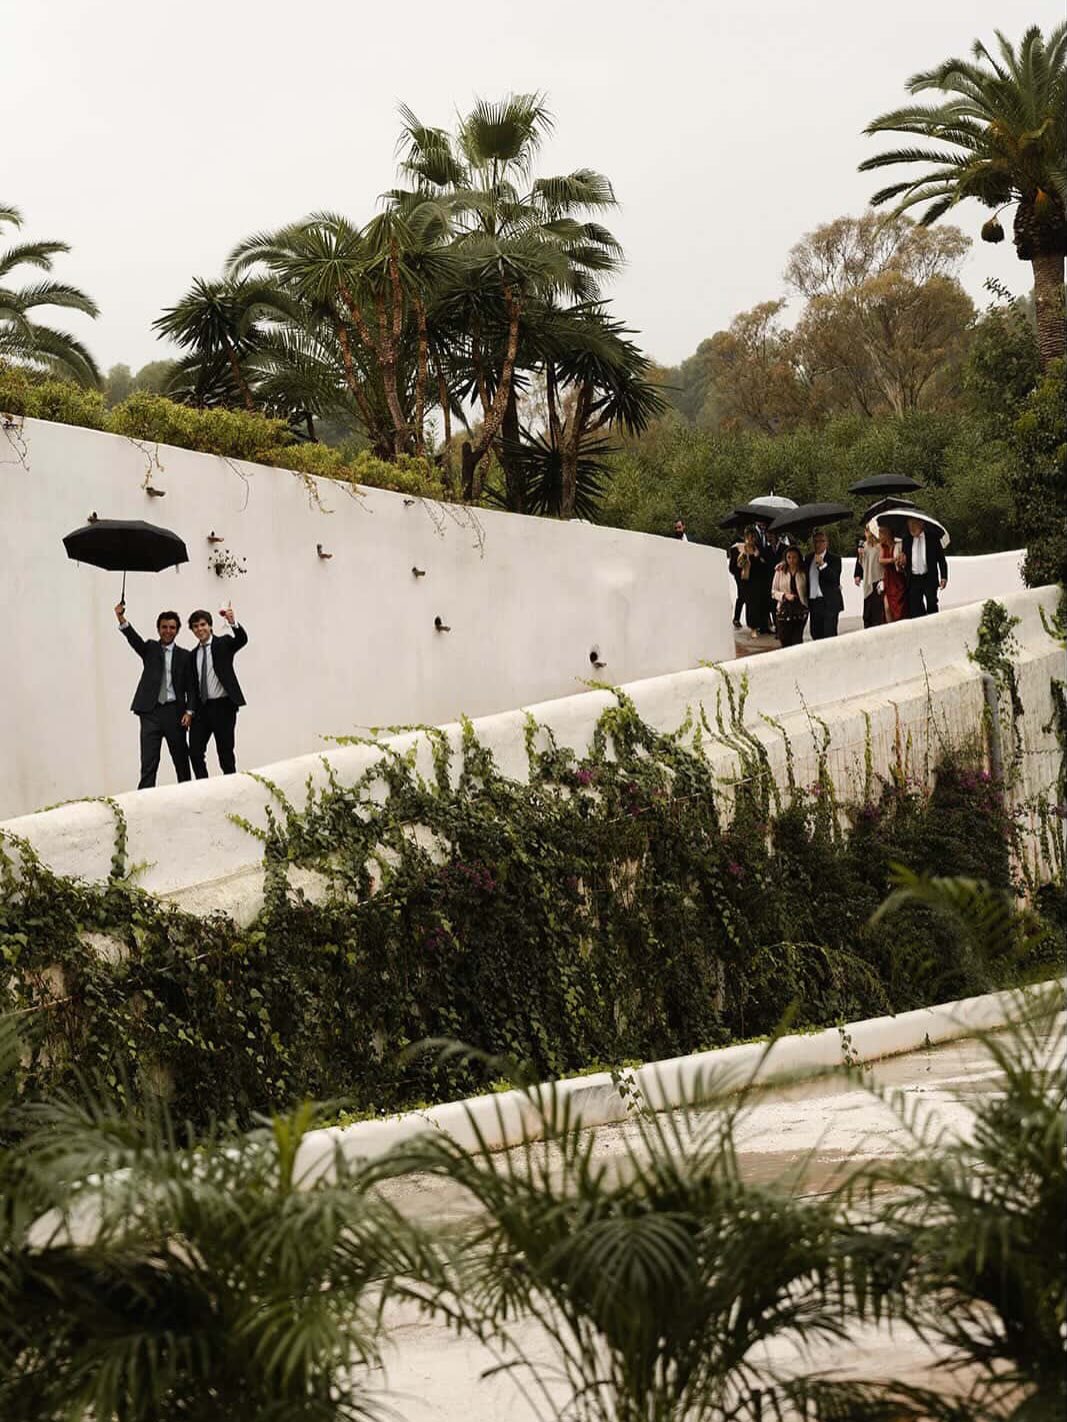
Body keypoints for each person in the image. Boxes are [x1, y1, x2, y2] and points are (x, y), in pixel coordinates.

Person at [114, 602, 195, 789]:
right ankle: (143, 801)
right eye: (164, 627)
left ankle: (188, 796)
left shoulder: (185, 656)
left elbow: (191, 688)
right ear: (158, 629)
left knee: (181, 760)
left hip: (175, 713)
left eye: (172, 628)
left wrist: (189, 712)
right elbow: (133, 639)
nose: (168, 631)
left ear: (177, 631)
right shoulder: (150, 648)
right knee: (149, 762)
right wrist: (120, 617)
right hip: (150, 712)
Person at [187, 605, 248, 777]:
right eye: (196, 626)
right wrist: (190, 710)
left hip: (223, 707)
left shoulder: (224, 643)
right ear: (192, 630)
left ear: (210, 626)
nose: (200, 629)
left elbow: (242, 640)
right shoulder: (192, 655)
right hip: (202, 708)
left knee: (225, 753)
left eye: (203, 624)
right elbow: (192, 685)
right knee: (195, 752)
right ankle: (204, 787)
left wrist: (232, 622)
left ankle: (232, 787)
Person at [902, 517, 948, 617]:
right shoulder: (906, 540)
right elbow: (905, 562)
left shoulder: (933, 538)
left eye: (914, 524)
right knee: (915, 608)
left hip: (929, 577)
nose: (911, 528)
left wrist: (944, 577)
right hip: (913, 579)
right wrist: (902, 562)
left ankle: (934, 626)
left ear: (921, 523)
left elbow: (941, 559)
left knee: (931, 604)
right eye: (909, 525)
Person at [804, 529, 843, 640]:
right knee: (815, 633)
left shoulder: (834, 559)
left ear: (827, 543)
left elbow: (834, 578)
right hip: (814, 602)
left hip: (829, 602)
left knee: (829, 635)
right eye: (815, 541)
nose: (818, 544)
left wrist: (822, 565)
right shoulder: (808, 558)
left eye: (821, 541)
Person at [771, 545, 808, 648]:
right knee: (784, 639)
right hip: (784, 609)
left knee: (797, 640)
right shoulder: (780, 571)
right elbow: (773, 592)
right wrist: (784, 595)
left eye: (794, 557)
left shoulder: (803, 571)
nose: (791, 560)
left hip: (800, 609)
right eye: (789, 557)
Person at [738, 526, 771, 638]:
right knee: (751, 604)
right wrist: (744, 558)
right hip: (749, 581)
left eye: (753, 537)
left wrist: (759, 557)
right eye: (749, 537)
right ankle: (753, 627)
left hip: (760, 579)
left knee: (760, 603)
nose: (751, 539)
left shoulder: (759, 548)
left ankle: (763, 625)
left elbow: (764, 563)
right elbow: (738, 565)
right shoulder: (743, 549)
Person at [854, 527, 885, 629]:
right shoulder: (864, 546)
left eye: (868, 531)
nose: (867, 534)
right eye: (866, 531)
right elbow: (860, 562)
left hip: (878, 581)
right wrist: (857, 575)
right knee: (867, 614)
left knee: (877, 613)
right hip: (867, 582)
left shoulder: (880, 546)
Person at [878, 527, 908, 623]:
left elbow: (902, 560)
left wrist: (899, 560)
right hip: (889, 579)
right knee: (887, 606)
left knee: (900, 607)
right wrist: (892, 560)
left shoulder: (899, 545)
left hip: (898, 579)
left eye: (881, 534)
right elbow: (880, 560)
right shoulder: (883, 547)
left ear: (887, 534)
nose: (879, 537)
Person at [727, 537, 746, 628]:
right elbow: (732, 567)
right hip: (740, 576)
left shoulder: (747, 546)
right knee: (742, 596)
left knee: (744, 597)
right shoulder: (735, 548)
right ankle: (736, 618)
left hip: (748, 575)